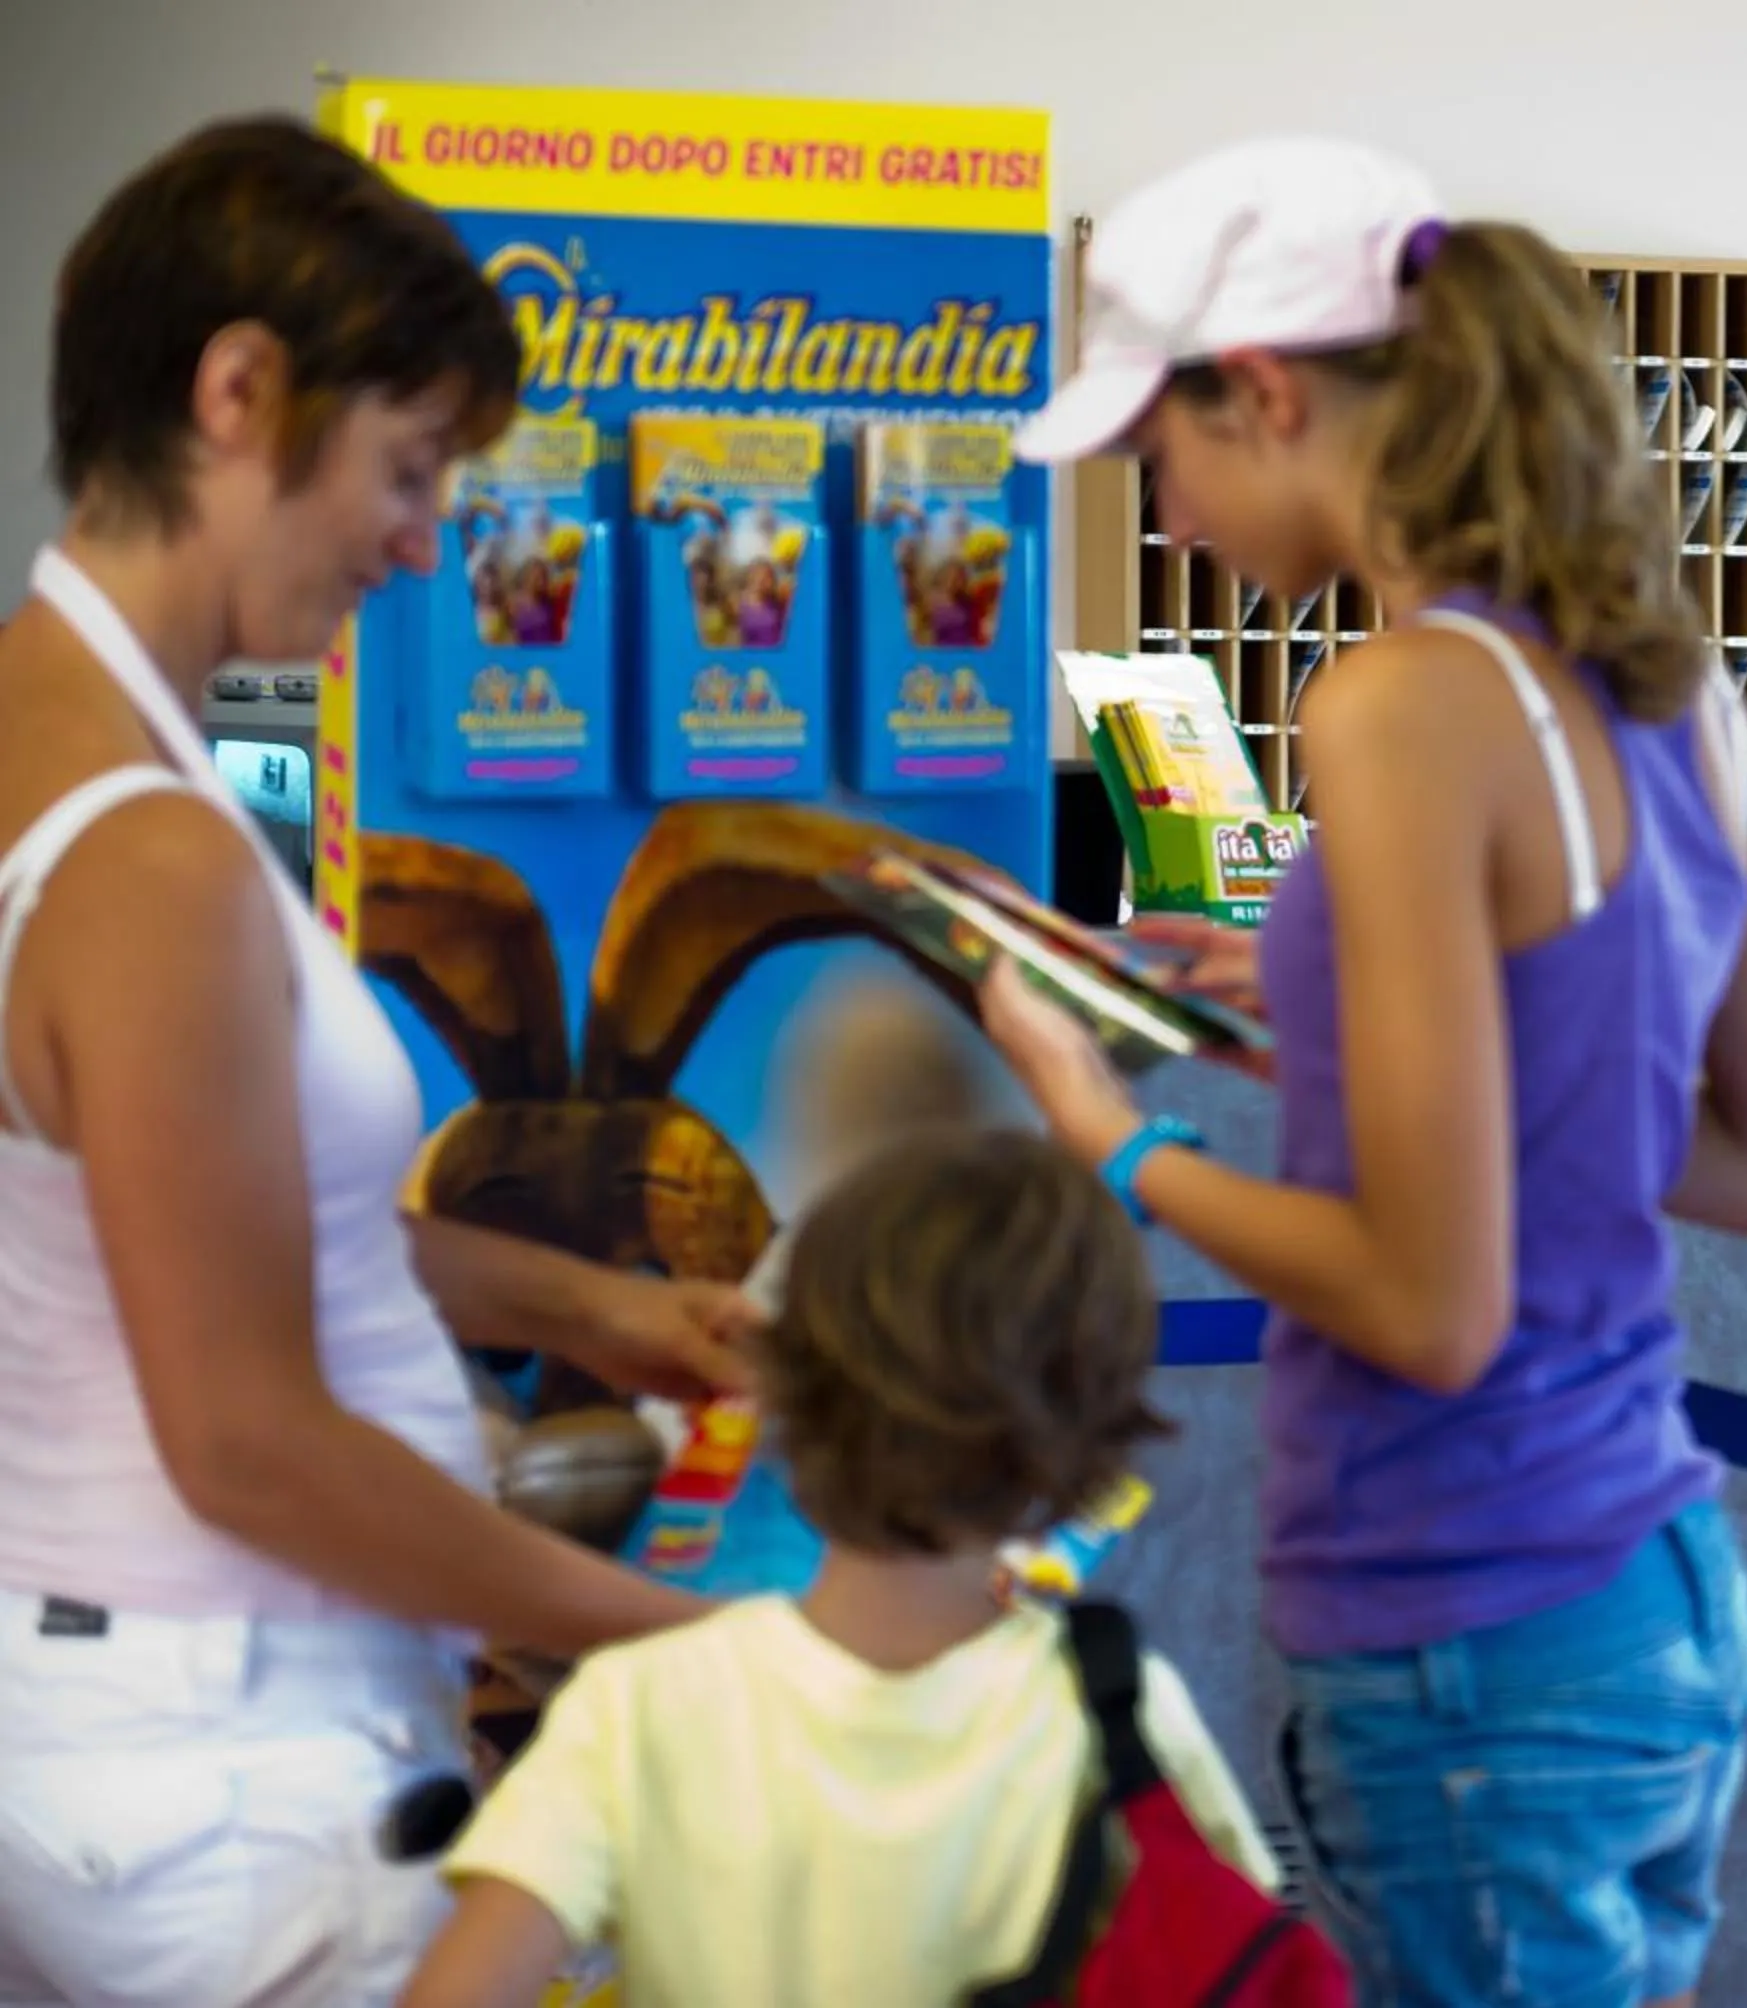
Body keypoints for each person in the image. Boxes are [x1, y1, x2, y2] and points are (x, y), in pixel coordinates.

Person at [981, 136, 1747, 2008]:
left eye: (1159, 454)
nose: (1171, 515)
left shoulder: (1393, 704)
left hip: (1468, 1623)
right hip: (1652, 1597)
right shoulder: (1679, 691)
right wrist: (1350, 1026)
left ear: (1267, 393)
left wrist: (1112, 1143)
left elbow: (1430, 1307)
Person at [0, 117, 748, 2008]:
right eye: (407, 470)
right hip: (235, 1770)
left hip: (147, 1733)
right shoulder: (145, 856)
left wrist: (602, 1306)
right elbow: (244, 1438)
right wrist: (687, 1640)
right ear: (239, 393)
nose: (426, 546)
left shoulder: (72, 752)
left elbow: (226, 1224)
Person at [399, 1127, 1277, 2008]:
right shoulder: (1115, 1712)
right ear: (1091, 1439)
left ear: (780, 1395)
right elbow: (1252, 1970)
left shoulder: (639, 1705)